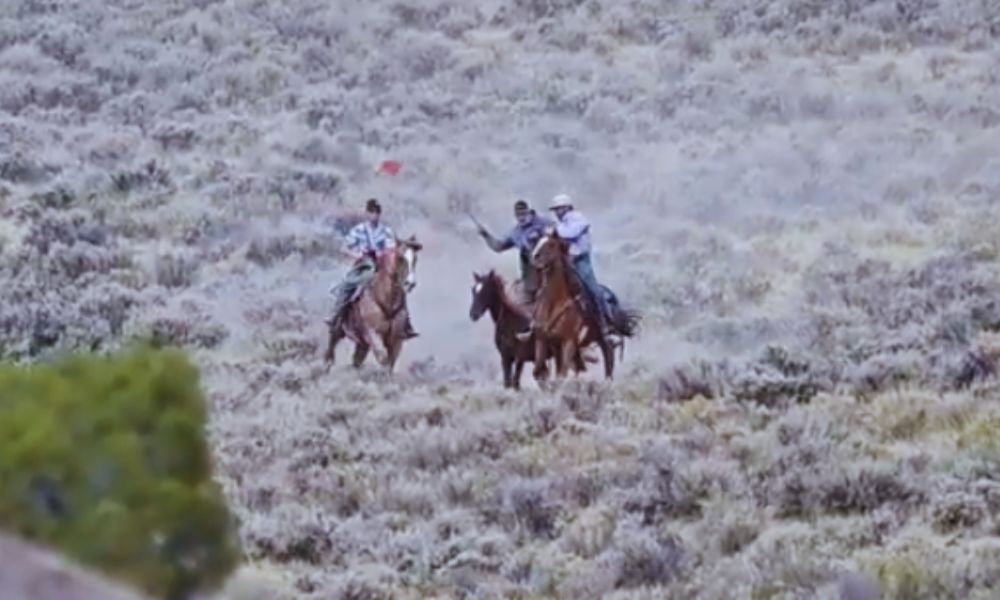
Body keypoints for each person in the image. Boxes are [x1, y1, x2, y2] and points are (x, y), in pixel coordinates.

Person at [329, 198, 419, 339]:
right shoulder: (359, 230)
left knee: (398, 289)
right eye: (371, 212)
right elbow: (344, 248)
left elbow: (391, 248)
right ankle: (337, 317)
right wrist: (356, 254)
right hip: (363, 263)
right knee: (348, 285)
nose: (374, 215)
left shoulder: (386, 231)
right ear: (367, 214)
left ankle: (406, 324)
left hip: (381, 264)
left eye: (376, 213)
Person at [547, 193, 613, 337]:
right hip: (565, 261)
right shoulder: (560, 224)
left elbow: (570, 234)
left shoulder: (578, 219)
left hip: (580, 260)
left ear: (567, 208)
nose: (556, 212)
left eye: (558, 209)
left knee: (593, 290)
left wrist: (554, 230)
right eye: (555, 210)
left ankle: (606, 321)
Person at [476, 199, 553, 305]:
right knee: (523, 299)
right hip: (530, 270)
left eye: (523, 214)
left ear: (529, 212)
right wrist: (486, 235)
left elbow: (557, 234)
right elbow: (499, 247)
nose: (521, 218)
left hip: (551, 263)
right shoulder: (515, 233)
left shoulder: (543, 222)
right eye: (518, 215)